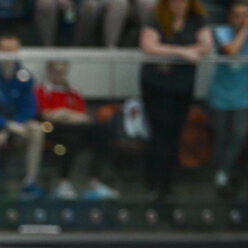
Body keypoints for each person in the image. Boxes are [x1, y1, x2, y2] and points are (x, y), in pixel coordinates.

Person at [139, 0, 212, 201]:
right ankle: (154, 184)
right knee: (160, 133)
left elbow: (206, 45)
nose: (178, 5)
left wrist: (171, 49)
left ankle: (168, 184)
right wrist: (182, 52)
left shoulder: (196, 19)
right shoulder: (156, 16)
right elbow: (148, 45)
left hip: (183, 84)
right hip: (156, 83)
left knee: (175, 132)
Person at [0, 33, 45, 201]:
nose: (9, 55)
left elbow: (30, 108)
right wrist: (5, 125)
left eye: (12, 50)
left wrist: (14, 125)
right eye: (5, 50)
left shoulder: (25, 77)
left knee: (36, 129)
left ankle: (30, 183)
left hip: (17, 129)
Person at [36, 61, 120, 200]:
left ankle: (94, 181)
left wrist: (63, 113)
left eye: (62, 72)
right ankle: (64, 182)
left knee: (102, 132)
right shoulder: (42, 90)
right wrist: (66, 114)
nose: (59, 75)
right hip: (52, 128)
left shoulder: (73, 90)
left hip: (76, 126)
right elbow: (46, 114)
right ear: (49, 72)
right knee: (69, 139)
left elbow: (83, 115)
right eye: (56, 71)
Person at [207, 0, 248, 199]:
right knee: (221, 137)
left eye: (245, 15)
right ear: (230, 17)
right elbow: (231, 52)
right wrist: (244, 31)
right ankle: (218, 173)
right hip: (221, 96)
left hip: (243, 97)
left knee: (238, 135)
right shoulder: (221, 31)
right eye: (237, 15)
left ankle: (223, 172)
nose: (241, 19)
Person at [34, 0, 128, 47]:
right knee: (46, 4)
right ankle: (47, 48)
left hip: (82, 6)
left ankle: (78, 45)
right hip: (61, 7)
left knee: (90, 6)